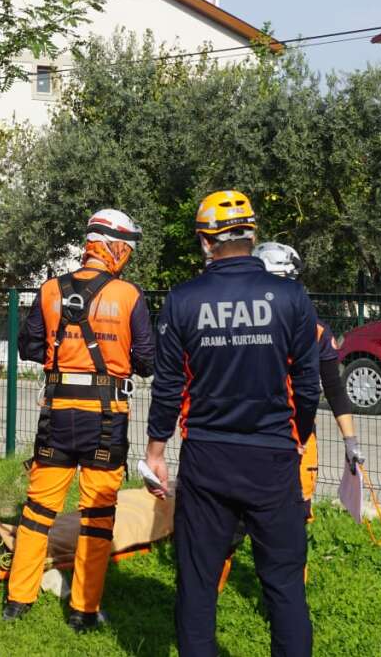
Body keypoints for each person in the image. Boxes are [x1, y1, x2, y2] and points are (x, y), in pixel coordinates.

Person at [144, 191, 320, 657]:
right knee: (284, 586)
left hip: (208, 458)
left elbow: (166, 387)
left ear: (206, 243)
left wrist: (155, 453)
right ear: (252, 235)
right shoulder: (291, 297)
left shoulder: (183, 300)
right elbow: (307, 384)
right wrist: (298, 435)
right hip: (273, 458)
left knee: (199, 582)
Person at [4, 209, 155, 632]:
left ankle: (18, 600)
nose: (128, 254)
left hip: (57, 413)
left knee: (37, 510)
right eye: (127, 246)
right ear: (112, 246)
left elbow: (29, 346)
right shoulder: (128, 296)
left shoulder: (50, 289)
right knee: (97, 516)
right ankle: (84, 609)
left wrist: (62, 352)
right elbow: (146, 360)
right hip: (106, 419)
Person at [218, 241, 366, 589]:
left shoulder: (308, 329)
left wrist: (350, 440)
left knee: (282, 526)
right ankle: (218, 600)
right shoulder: (244, 323)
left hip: (270, 438)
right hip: (271, 437)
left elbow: (333, 387)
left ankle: (276, 603)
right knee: (239, 525)